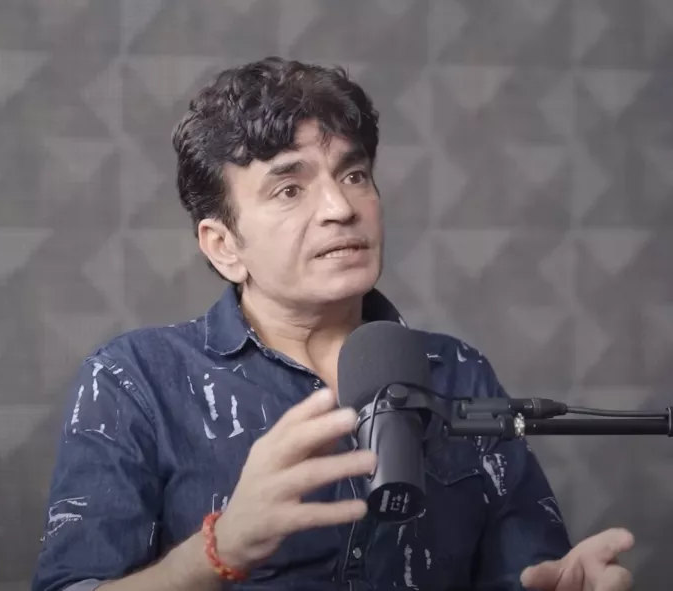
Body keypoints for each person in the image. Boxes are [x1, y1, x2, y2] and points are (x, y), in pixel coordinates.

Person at [32, 57, 635, 591]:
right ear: (224, 246)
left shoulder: (456, 370)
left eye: (353, 175)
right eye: (289, 189)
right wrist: (220, 550)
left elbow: (524, 569)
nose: (341, 208)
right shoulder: (134, 381)